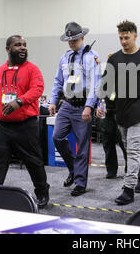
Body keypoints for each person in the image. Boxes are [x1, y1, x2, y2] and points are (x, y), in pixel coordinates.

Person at [97, 20, 140, 205]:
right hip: (120, 112)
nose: (123, 41)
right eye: (121, 38)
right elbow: (105, 85)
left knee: (132, 149)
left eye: (127, 37)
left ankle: (128, 189)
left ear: (135, 35)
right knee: (134, 147)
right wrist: (101, 104)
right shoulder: (114, 59)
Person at [0, 34, 50, 209]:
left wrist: (19, 101)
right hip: (3, 127)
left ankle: (42, 192)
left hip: (26, 126)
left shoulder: (32, 69)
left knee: (34, 162)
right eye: (17, 45)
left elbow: (37, 89)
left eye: (24, 45)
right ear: (8, 49)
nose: (23, 47)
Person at [48, 22, 101, 197]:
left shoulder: (91, 57)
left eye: (74, 39)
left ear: (82, 38)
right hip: (67, 104)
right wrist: (53, 101)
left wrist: (89, 106)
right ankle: (73, 168)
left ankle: (80, 182)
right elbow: (58, 81)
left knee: (83, 147)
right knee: (57, 136)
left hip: (83, 106)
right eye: (69, 40)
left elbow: (95, 84)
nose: (71, 42)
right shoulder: (65, 57)